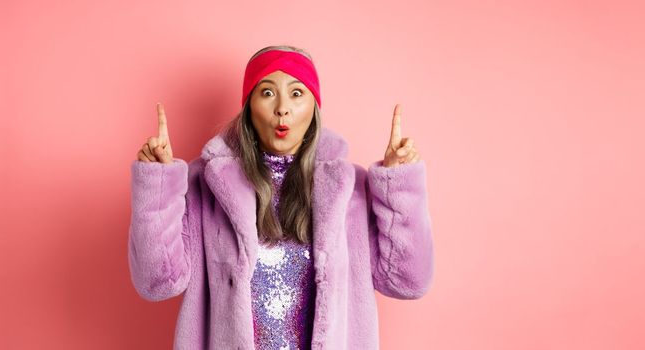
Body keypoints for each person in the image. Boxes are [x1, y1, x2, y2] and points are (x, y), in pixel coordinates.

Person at [129, 45, 434, 350]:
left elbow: (407, 281)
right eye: (267, 92)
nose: (282, 108)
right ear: (249, 107)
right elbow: (158, 283)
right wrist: (157, 184)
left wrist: (398, 183)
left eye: (297, 93)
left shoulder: (350, 192)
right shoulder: (205, 186)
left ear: (314, 108)